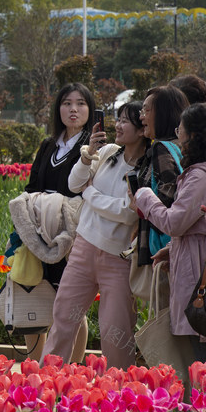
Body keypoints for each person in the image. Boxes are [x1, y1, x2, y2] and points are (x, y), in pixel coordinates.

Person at [43, 102, 150, 369]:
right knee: (64, 319)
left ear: (141, 131)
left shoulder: (146, 168)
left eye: (126, 121)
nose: (118, 125)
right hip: (83, 249)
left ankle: (118, 394)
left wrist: (90, 195)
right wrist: (88, 154)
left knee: (116, 330)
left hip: (119, 258)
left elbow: (128, 213)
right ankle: (45, 383)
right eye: (119, 119)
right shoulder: (109, 153)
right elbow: (73, 184)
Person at [135, 102, 206, 364]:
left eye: (180, 128)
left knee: (202, 352)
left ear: (193, 135)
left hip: (198, 271)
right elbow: (204, 225)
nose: (177, 133)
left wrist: (145, 197)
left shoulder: (200, 177)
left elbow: (174, 223)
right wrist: (173, 249)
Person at [18, 82, 96, 361]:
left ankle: (71, 370)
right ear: (58, 109)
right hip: (39, 235)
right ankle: (34, 368)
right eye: (66, 103)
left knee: (71, 305)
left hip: (73, 236)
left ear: (91, 109)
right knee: (34, 294)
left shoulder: (94, 148)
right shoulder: (49, 145)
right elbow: (31, 187)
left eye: (80, 103)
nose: (73, 109)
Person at [138, 86, 190, 259]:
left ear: (163, 113)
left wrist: (139, 202)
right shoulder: (186, 145)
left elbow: (167, 194)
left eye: (146, 110)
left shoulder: (162, 148)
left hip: (162, 246)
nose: (141, 116)